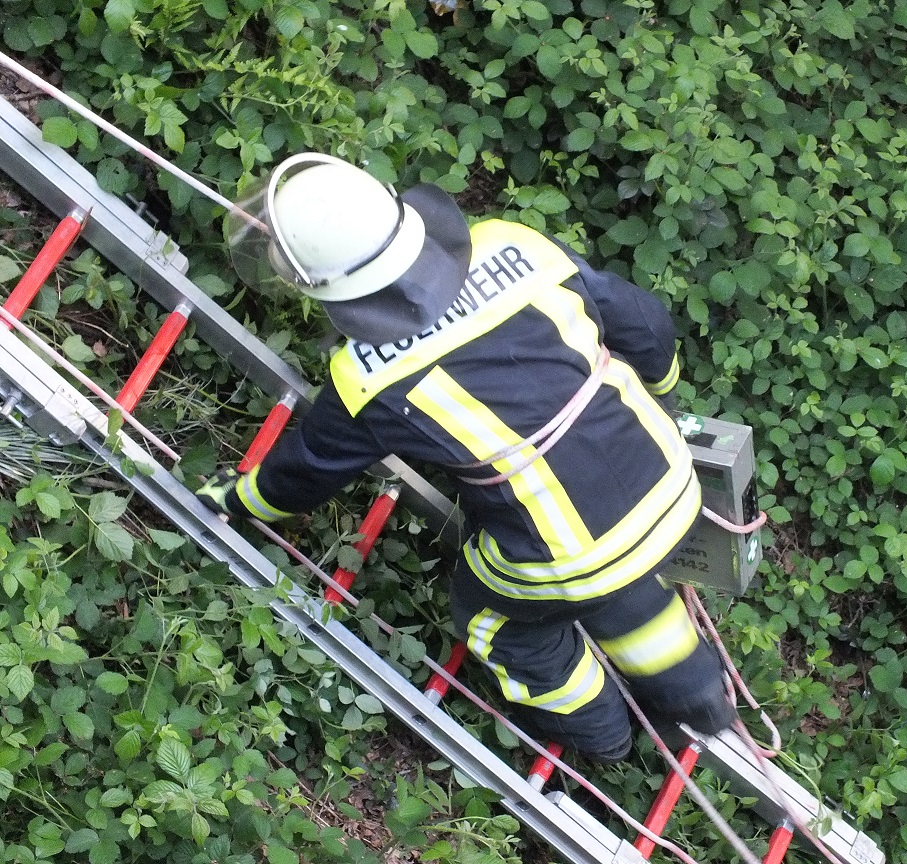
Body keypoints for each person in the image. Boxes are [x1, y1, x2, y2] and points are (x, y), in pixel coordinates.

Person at [199, 153, 736, 762]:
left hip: (571, 556)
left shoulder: (366, 376)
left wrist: (240, 497)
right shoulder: (518, 246)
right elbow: (645, 324)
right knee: (619, 581)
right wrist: (661, 393)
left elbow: (305, 471)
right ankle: (698, 697)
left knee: (497, 622)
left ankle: (602, 734)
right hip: (668, 477)